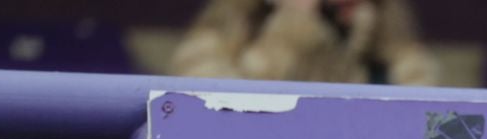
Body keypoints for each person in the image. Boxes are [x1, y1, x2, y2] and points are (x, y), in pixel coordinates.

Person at [171, 0, 439, 87]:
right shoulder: (213, 43)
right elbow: (213, 125)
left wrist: (347, 44)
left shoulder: (401, 60)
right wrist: (290, 37)